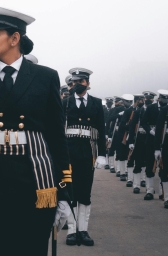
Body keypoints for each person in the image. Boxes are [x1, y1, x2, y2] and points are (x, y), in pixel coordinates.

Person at [0, 5, 71, 255]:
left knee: (30, 248)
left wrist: (65, 190)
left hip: (33, 178)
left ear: (15, 38)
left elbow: (56, 135)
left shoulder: (45, 77)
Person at [63, 67, 106, 246]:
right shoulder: (64, 103)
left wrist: (102, 154)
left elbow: (101, 130)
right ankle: (72, 230)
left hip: (88, 151)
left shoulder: (96, 103)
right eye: (73, 82)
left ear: (88, 83)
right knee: (71, 190)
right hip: (69, 150)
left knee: (85, 191)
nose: (76, 85)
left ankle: (83, 229)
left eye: (80, 82)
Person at [141, 89, 168, 200]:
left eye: (167, 99)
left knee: (164, 166)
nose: (165, 100)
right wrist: (150, 131)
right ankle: (149, 190)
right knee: (149, 164)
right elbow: (144, 122)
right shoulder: (151, 108)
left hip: (165, 139)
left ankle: (163, 192)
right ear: (159, 98)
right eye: (164, 98)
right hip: (151, 139)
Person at [128, 91, 156, 193]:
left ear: (153, 99)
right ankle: (136, 185)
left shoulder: (155, 110)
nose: (148, 100)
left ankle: (147, 185)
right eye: (147, 98)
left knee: (148, 162)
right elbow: (132, 127)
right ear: (143, 99)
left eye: (150, 98)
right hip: (140, 138)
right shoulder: (138, 111)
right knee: (138, 161)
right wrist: (131, 141)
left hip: (151, 138)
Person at [123, 94, 144, 187]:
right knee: (131, 159)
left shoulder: (143, 111)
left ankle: (142, 179)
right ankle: (130, 179)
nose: (142, 102)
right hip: (131, 136)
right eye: (141, 100)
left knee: (142, 160)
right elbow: (125, 124)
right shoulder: (129, 111)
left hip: (141, 138)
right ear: (137, 101)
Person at [106, 96, 126, 176]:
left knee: (119, 151)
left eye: (120, 102)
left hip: (121, 132)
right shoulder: (113, 110)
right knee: (111, 149)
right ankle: (111, 166)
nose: (118, 104)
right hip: (113, 131)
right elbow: (109, 119)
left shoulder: (125, 110)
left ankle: (118, 169)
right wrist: (107, 134)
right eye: (117, 102)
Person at [103, 97, 114, 170]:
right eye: (108, 102)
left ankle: (111, 164)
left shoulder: (113, 110)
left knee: (111, 147)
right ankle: (106, 163)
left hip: (111, 128)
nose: (109, 103)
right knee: (105, 147)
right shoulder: (103, 109)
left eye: (110, 102)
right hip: (104, 128)